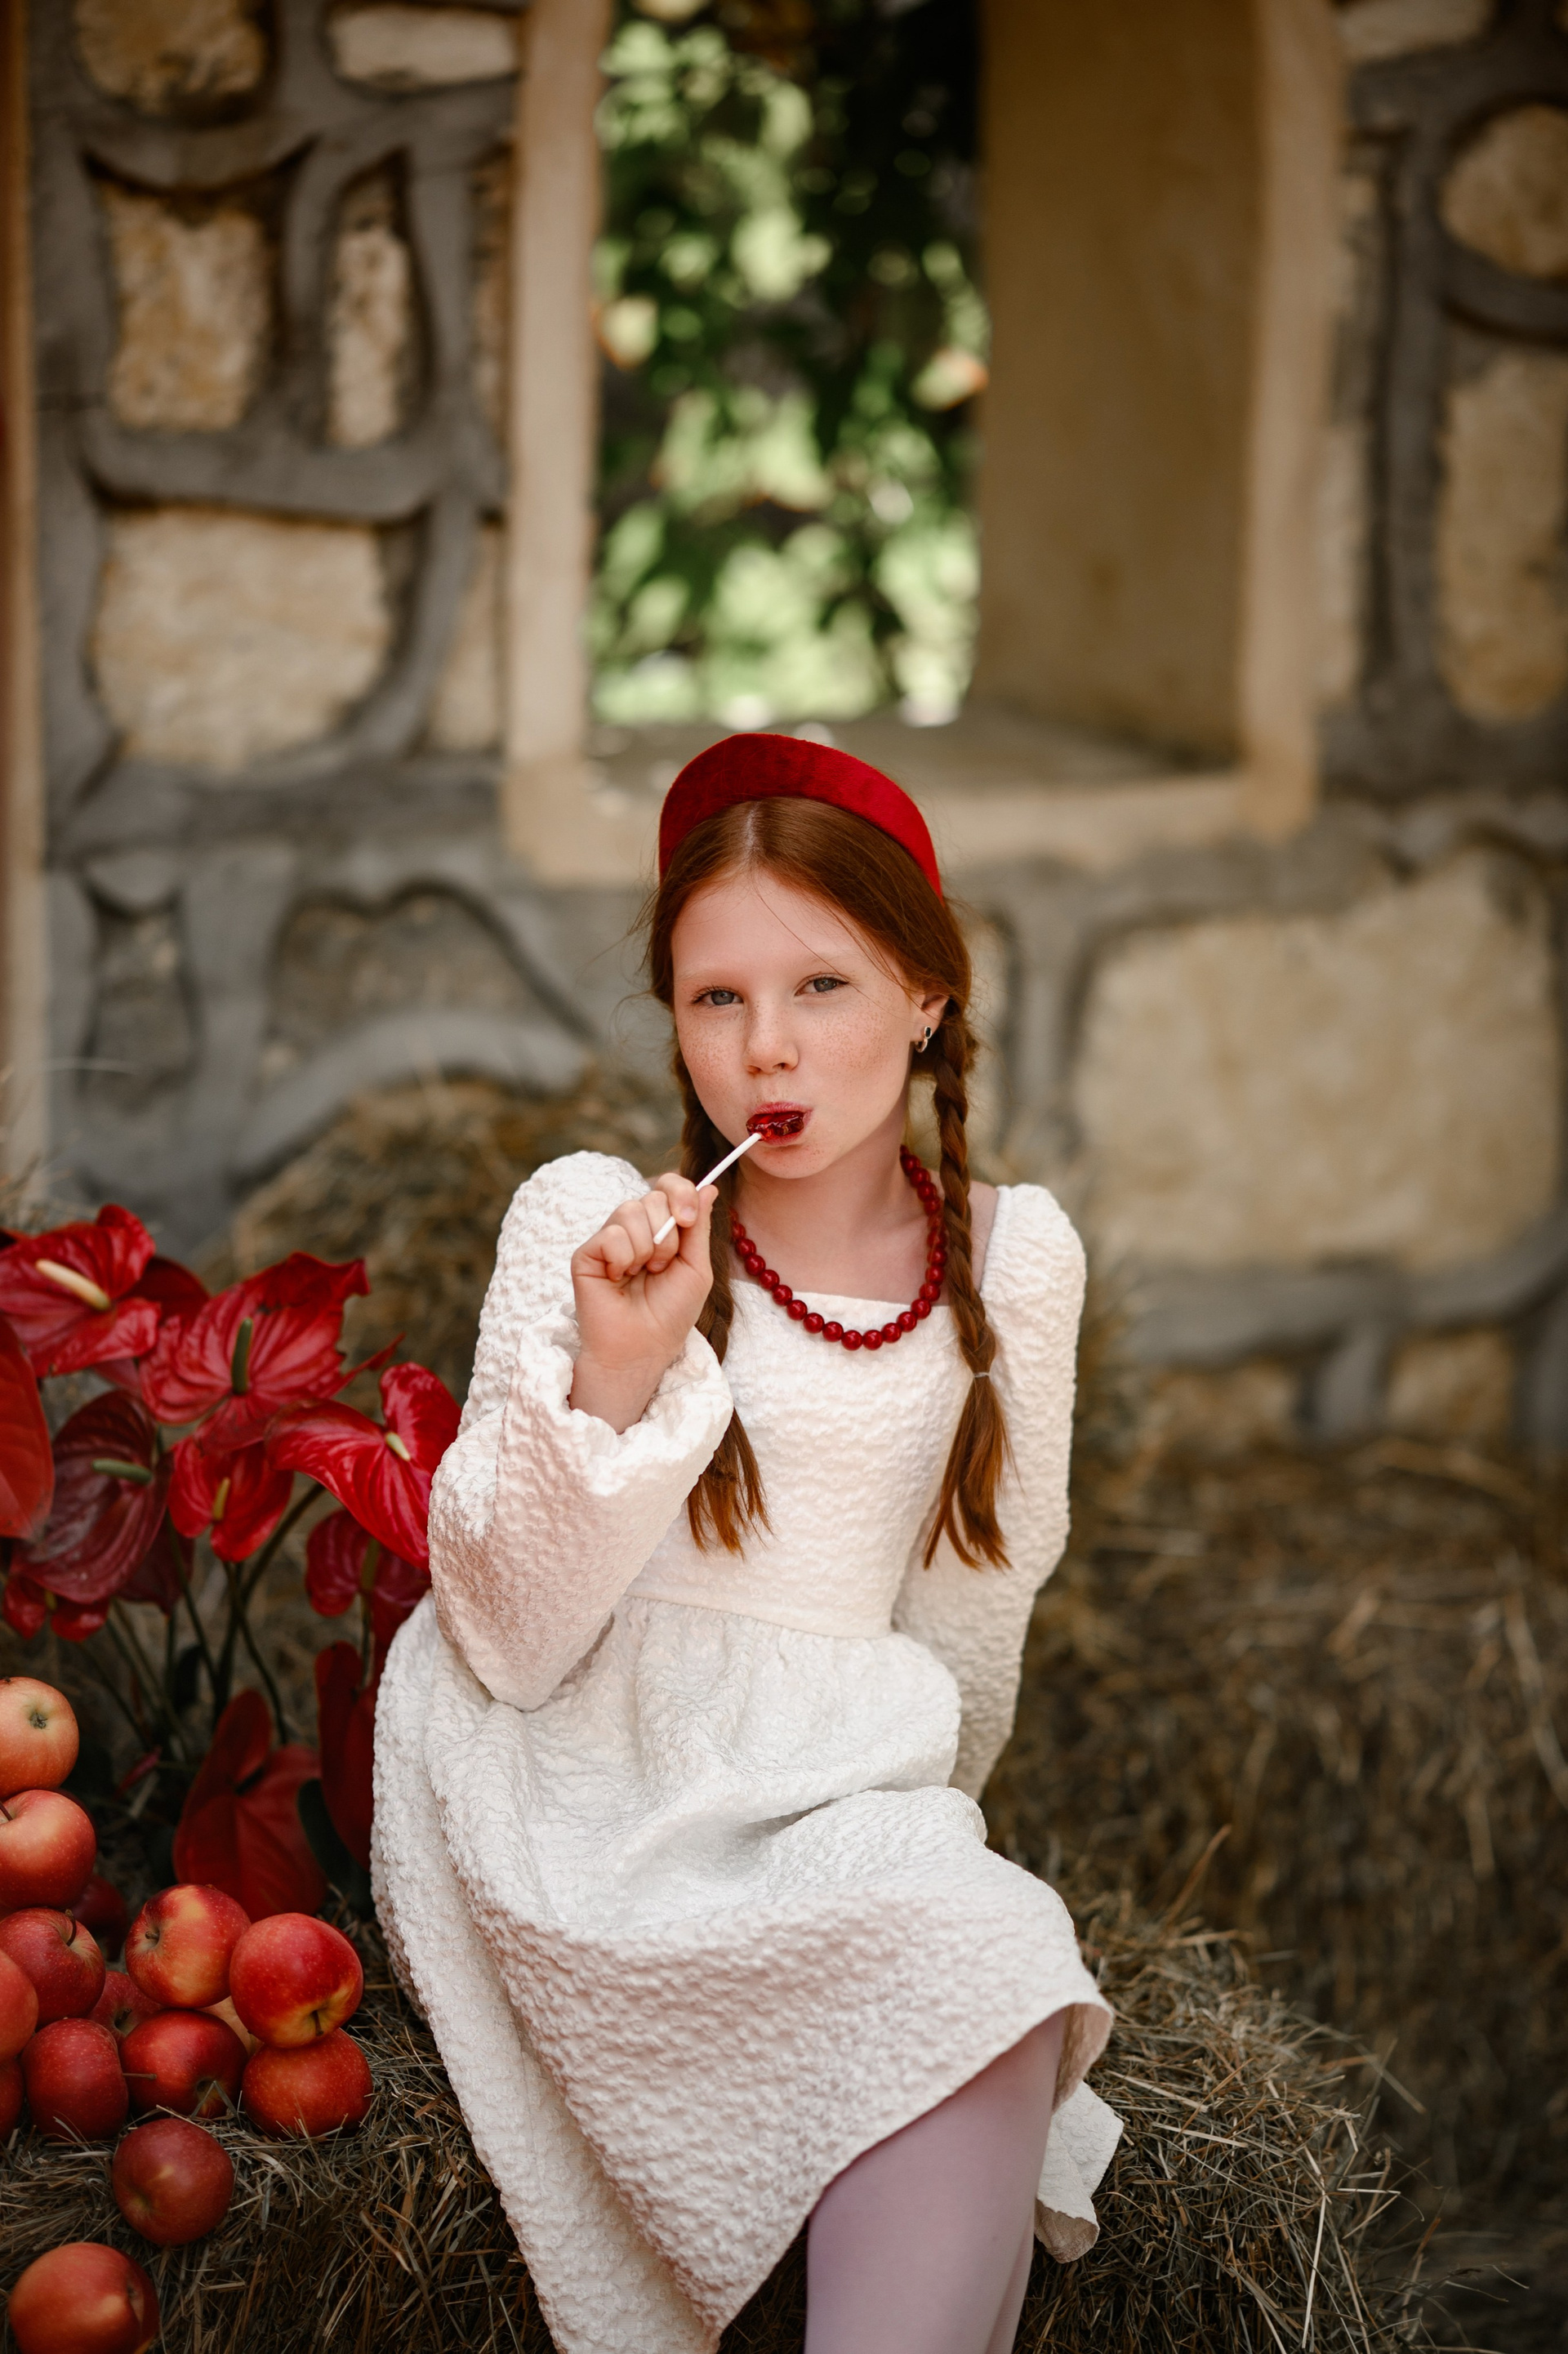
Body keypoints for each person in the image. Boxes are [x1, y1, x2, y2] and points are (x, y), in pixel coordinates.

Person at [373, 734, 1121, 2354]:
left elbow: (976, 1616)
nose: (764, 1046)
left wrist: (916, 1838)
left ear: (927, 993)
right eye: (716, 997)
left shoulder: (1015, 1261)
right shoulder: (584, 1218)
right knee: (956, 1947)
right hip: (586, 1773)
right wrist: (621, 1369)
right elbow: (502, 1635)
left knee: (994, 1946)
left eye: (821, 986)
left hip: (835, 1775)